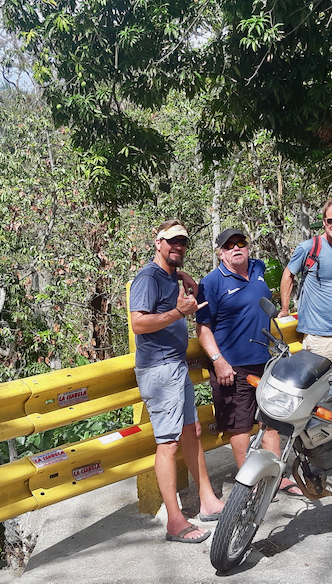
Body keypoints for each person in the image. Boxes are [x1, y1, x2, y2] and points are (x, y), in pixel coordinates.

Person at [128, 219, 225, 544]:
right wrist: (177, 314)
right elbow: (138, 324)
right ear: (158, 243)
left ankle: (208, 500)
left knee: (191, 432)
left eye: (183, 242)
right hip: (159, 370)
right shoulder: (148, 277)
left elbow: (188, 298)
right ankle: (174, 520)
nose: (178, 247)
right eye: (172, 241)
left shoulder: (171, 277)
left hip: (176, 367)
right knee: (168, 444)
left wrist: (185, 280)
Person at [196, 228, 302, 495]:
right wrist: (218, 361)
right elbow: (203, 328)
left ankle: (277, 478)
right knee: (240, 426)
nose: (236, 248)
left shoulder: (257, 268)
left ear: (248, 247)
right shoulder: (211, 283)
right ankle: (250, 485)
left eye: (240, 243)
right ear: (220, 253)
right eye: (229, 245)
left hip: (265, 361)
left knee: (271, 420)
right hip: (232, 366)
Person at [279, 198, 332, 373]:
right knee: (320, 394)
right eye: (330, 221)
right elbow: (288, 275)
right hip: (319, 338)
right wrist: (285, 309)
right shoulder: (309, 248)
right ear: (324, 223)